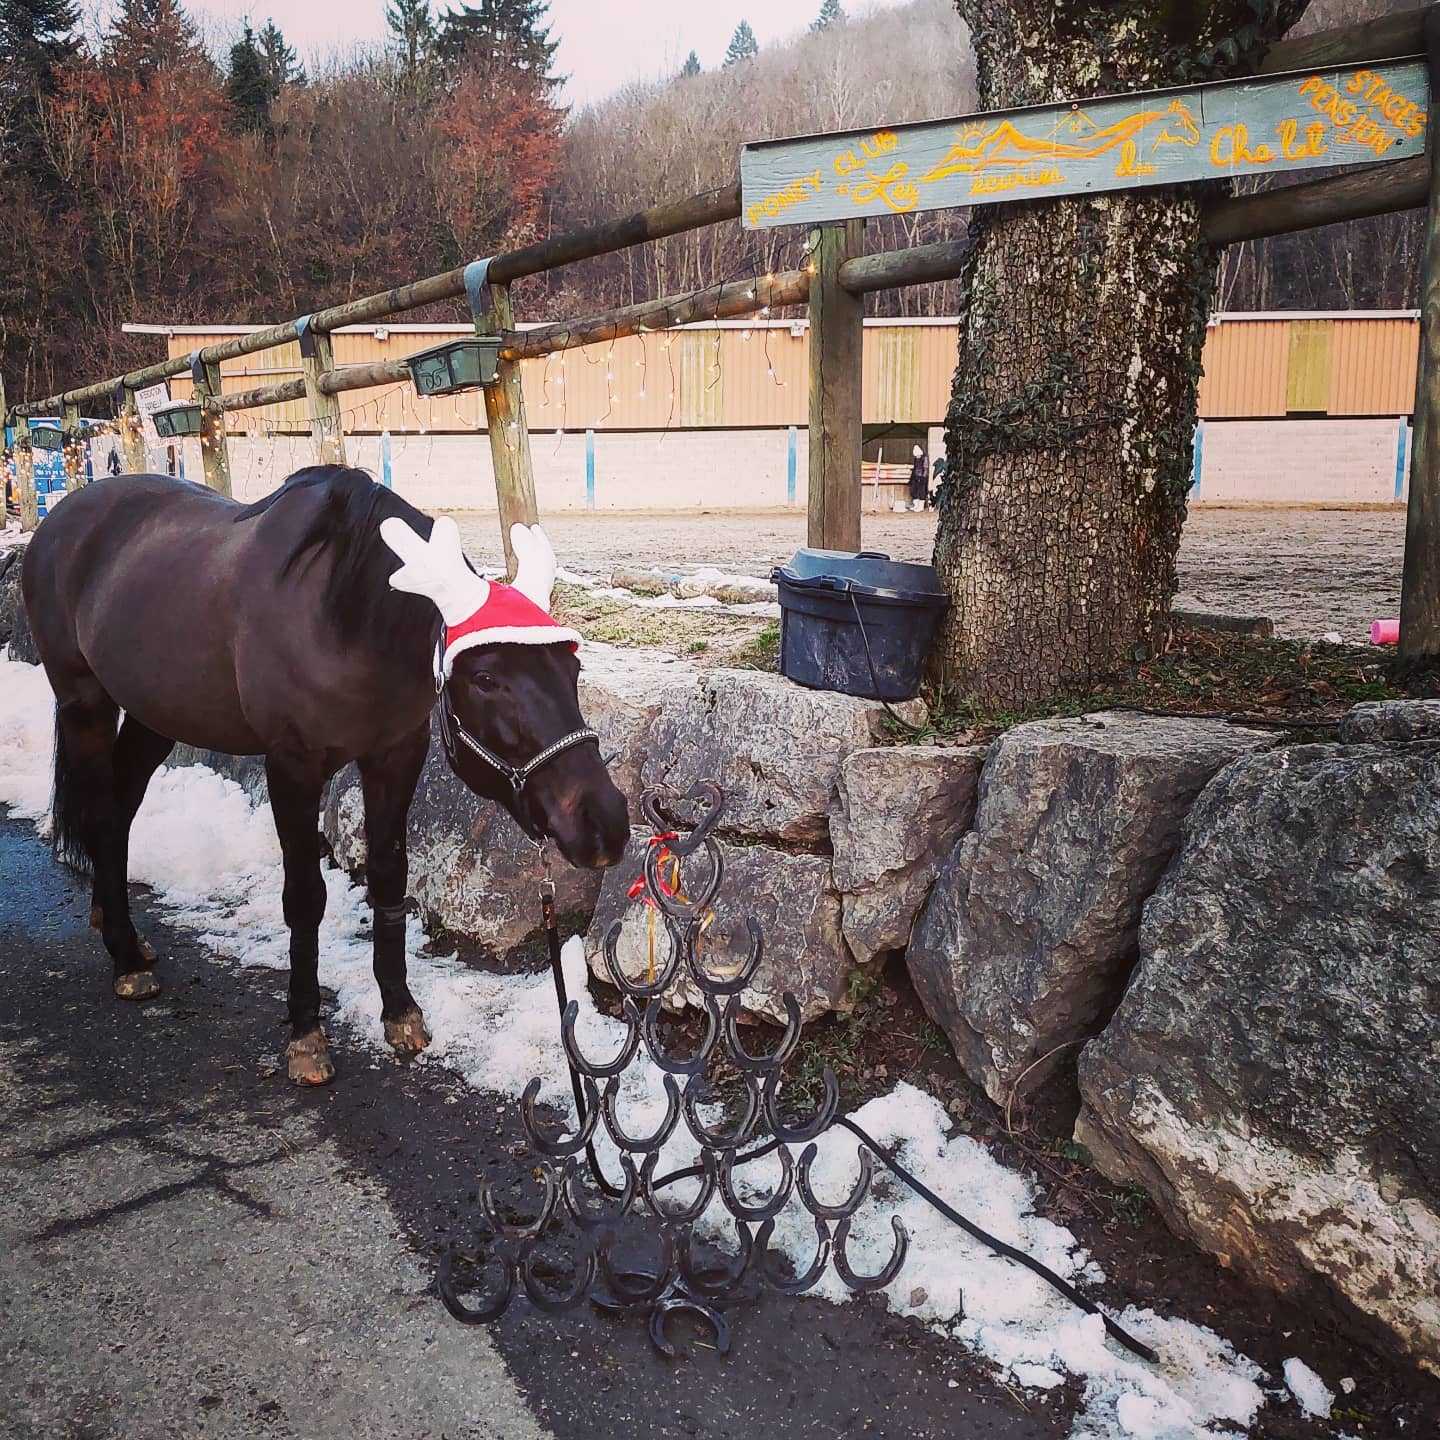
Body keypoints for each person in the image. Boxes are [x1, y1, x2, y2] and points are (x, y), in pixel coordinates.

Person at [908, 444, 927, 511]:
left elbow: (925, 468)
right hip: (916, 476)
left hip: (922, 477)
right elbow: (915, 468)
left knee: (921, 491)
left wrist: (923, 477)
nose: (917, 456)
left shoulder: (924, 458)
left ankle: (921, 507)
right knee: (914, 490)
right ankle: (916, 505)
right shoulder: (916, 459)